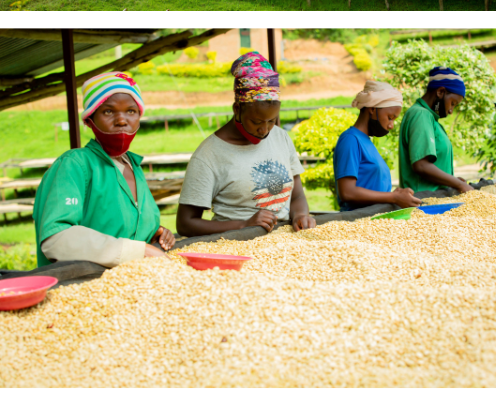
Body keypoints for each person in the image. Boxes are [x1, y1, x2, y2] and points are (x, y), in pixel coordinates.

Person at [33, 71, 175, 268]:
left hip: (133, 287)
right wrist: (140, 251)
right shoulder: (74, 165)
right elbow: (57, 238)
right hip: (83, 288)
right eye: (108, 111)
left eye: (131, 111)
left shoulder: (132, 166)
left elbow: (119, 227)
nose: (122, 120)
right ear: (89, 120)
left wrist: (153, 231)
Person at [177, 52, 316, 237]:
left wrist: (300, 215)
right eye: (257, 122)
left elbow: (297, 195)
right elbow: (186, 224)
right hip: (234, 244)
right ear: (237, 109)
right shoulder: (209, 155)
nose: (265, 130)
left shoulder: (281, 137)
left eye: (271, 121)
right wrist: (243, 225)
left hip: (283, 243)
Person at [333, 81, 420, 211]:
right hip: (357, 222)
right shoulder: (351, 140)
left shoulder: (366, 141)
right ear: (372, 109)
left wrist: (396, 195)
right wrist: (394, 197)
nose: (391, 125)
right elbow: (347, 192)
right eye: (390, 117)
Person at [399, 67, 475, 194]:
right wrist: (459, 185)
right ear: (440, 92)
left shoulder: (430, 118)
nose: (451, 110)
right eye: (452, 103)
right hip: (424, 201)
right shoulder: (421, 115)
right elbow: (421, 165)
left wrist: (451, 180)